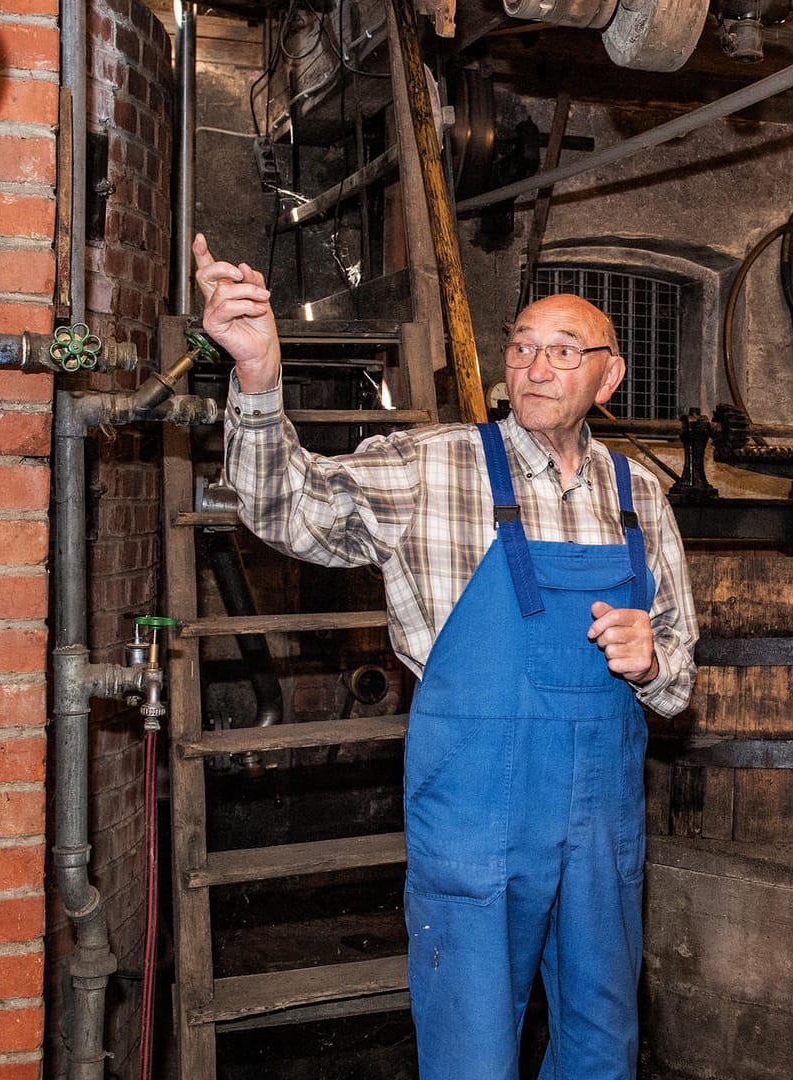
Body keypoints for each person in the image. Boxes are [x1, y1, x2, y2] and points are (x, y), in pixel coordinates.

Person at [194, 233, 697, 1080]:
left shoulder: (637, 491)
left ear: (609, 379)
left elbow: (679, 673)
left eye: (563, 351)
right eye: (523, 347)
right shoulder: (434, 464)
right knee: (473, 1046)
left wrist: (651, 663)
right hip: (477, 810)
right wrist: (256, 379)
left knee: (602, 1038)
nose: (535, 367)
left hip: (602, 817)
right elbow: (288, 508)